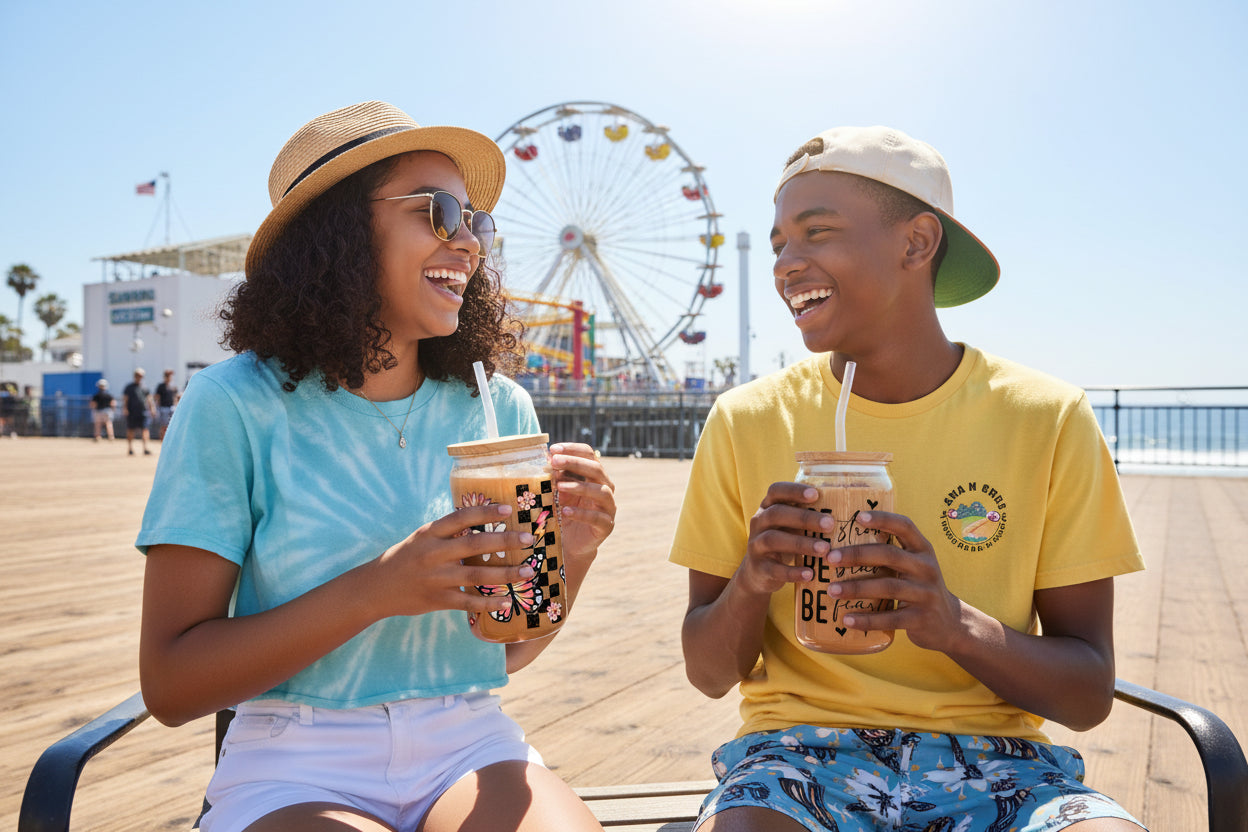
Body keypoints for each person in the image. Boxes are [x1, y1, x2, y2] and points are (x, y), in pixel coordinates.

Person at [136, 101, 616, 832]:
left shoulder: (499, 408)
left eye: (477, 223)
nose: (470, 243)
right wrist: (378, 590)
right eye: (439, 212)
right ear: (338, 234)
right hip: (293, 758)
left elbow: (509, 648)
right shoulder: (233, 403)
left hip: (468, 740)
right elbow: (171, 685)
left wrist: (573, 555)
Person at [670, 126, 1146, 831]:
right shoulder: (745, 419)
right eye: (779, 245)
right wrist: (752, 581)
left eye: (817, 233)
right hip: (795, 757)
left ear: (917, 243)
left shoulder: (1047, 417)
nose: (787, 265)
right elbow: (708, 674)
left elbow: (1086, 696)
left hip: (1002, 763)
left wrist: (955, 626)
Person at [122, 368, 154, 455]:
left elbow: (149, 399)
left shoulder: (145, 387)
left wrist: (152, 409)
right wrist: (125, 408)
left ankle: (145, 448)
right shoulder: (129, 387)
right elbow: (125, 399)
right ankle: (130, 448)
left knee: (145, 430)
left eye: (140, 376)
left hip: (143, 412)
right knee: (131, 430)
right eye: (137, 375)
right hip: (132, 412)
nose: (139, 377)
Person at [154, 368, 179, 438]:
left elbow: (176, 397)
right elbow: (157, 397)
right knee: (164, 426)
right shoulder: (161, 386)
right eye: (168, 375)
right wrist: (157, 408)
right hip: (163, 408)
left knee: (172, 426)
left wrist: (176, 406)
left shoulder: (173, 386)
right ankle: (163, 441)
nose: (169, 377)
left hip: (172, 408)